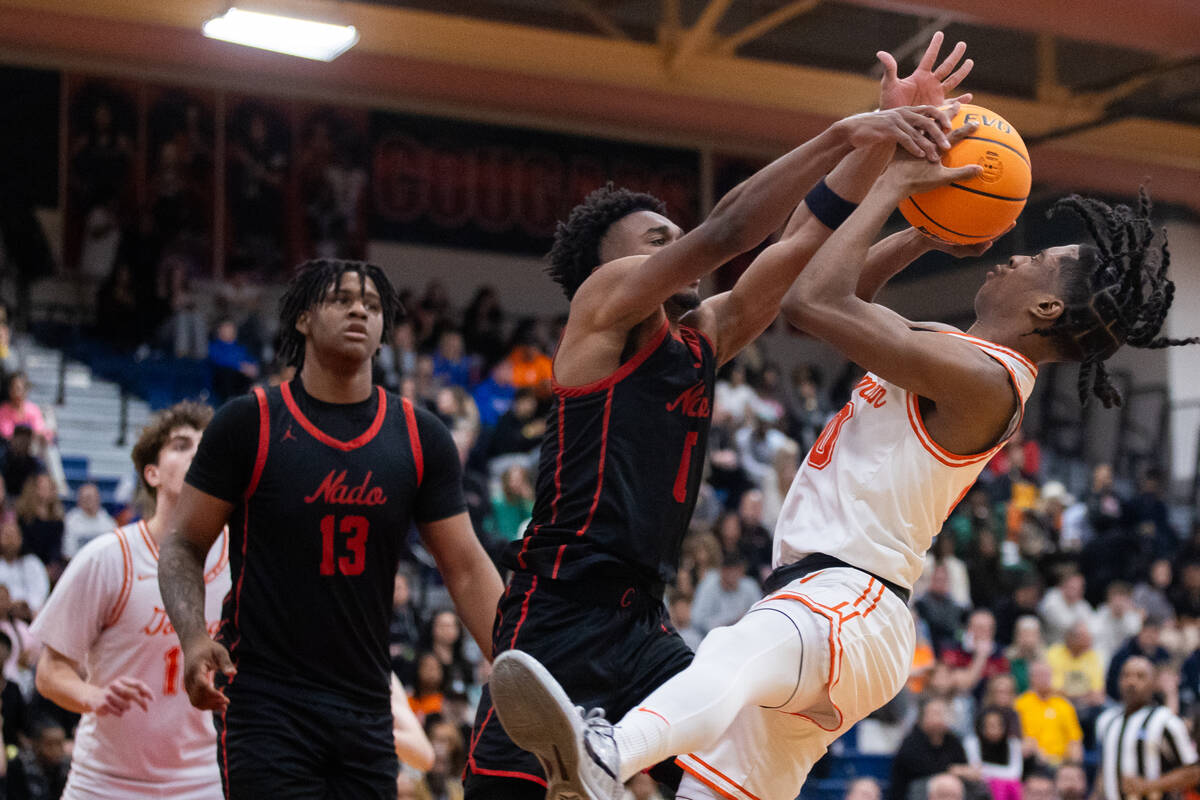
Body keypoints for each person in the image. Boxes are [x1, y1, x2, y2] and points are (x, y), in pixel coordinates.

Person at [487, 58, 1198, 800]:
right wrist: (906, 207)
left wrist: (891, 175)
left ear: (1049, 312)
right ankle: (607, 754)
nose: (1018, 252)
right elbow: (808, 274)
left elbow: (812, 292)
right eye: (657, 241)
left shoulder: (979, 378)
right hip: (630, 598)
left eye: (1039, 260)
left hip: (843, 600)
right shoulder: (946, 353)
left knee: (730, 655)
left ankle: (610, 752)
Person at [471, 31, 973, 799]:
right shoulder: (600, 314)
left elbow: (800, 241)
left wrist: (912, 185)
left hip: (644, 621)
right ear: (614, 266)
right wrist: (848, 132)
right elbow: (731, 231)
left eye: (672, 235)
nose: (676, 245)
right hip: (558, 607)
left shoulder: (704, 338)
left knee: (728, 769)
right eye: (655, 240)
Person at [158, 259, 504, 798]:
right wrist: (194, 636)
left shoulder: (420, 436)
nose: (359, 309)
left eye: (371, 303)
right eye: (341, 298)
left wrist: (517, 669)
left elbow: (464, 567)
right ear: (302, 318)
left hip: (367, 704)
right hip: (265, 700)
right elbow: (183, 543)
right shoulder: (248, 423)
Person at [29, 402, 229, 799]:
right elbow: (49, 673)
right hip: (104, 782)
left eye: (205, 446)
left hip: (199, 781)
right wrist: (94, 696)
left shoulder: (239, 559)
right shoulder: (107, 557)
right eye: (181, 445)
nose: (196, 453)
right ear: (151, 473)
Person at [1097, 657, 1198, 800]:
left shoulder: (1166, 720)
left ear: (1153, 683)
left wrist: (1150, 786)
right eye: (1126, 675)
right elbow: (1104, 771)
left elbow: (1194, 772)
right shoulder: (1106, 721)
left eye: (1140, 676)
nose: (1131, 682)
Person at [1014, 661, 1083, 767]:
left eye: (1047, 675)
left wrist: (1074, 764)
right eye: (1039, 675)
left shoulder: (1064, 705)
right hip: (1032, 760)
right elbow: (1018, 738)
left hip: (1061, 763)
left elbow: (1074, 740)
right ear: (1030, 678)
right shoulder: (1020, 704)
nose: (1044, 679)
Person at [62, 483, 116, 560]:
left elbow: (113, 551)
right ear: (79, 501)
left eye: (90, 497)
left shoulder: (109, 522)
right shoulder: (70, 520)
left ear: (98, 499)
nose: (88, 501)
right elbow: (68, 553)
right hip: (78, 564)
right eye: (85, 498)